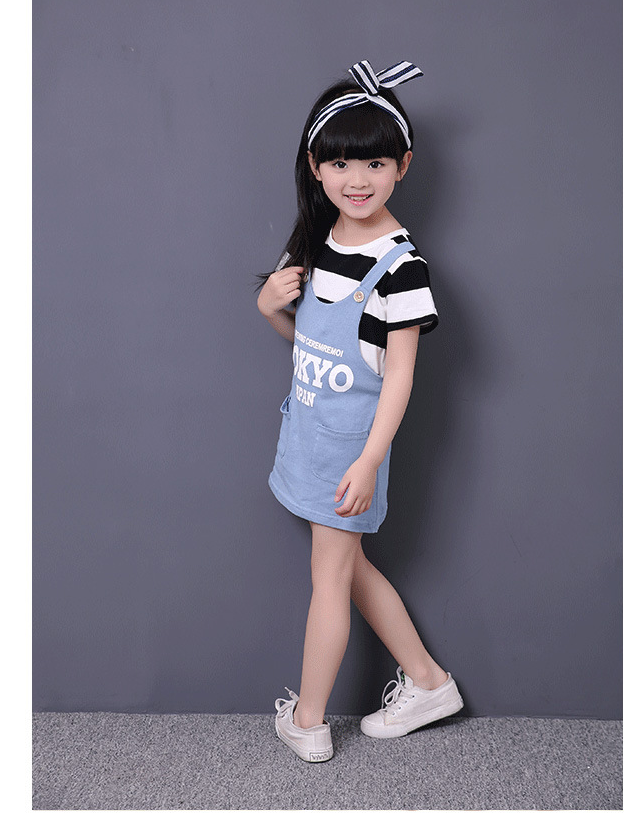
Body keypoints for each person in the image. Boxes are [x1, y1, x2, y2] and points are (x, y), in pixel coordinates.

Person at [255, 60, 464, 763]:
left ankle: (308, 721)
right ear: (316, 167)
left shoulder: (401, 268)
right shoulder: (318, 240)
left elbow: (400, 374)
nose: (357, 179)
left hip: (349, 448)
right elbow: (313, 341)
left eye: (375, 162)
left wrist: (370, 460)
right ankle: (429, 681)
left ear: (402, 165)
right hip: (308, 435)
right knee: (351, 569)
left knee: (330, 579)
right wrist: (269, 311)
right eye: (341, 162)